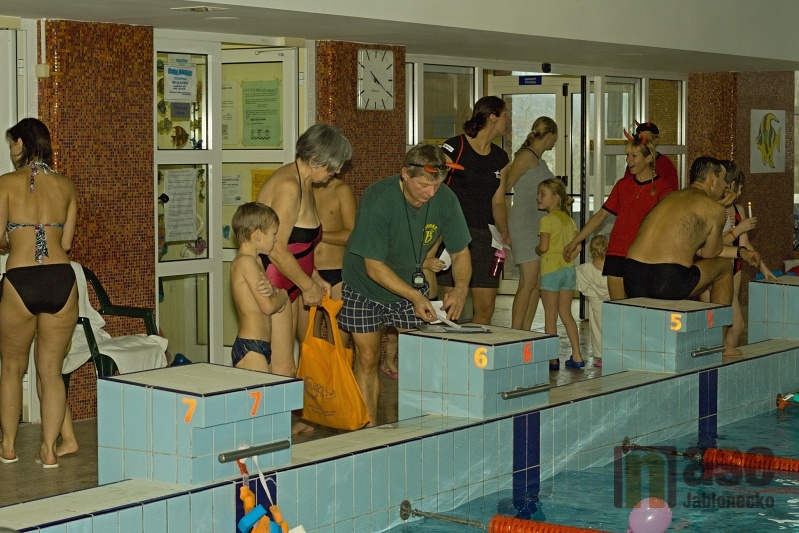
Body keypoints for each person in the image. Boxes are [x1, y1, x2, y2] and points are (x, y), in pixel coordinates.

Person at [338, 144, 472, 426]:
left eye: (436, 185)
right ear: (405, 174)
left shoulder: (445, 199)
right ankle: (369, 429)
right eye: (424, 185)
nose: (431, 193)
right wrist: (415, 296)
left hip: (409, 280)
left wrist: (460, 289)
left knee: (420, 358)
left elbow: (460, 252)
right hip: (365, 284)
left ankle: (420, 426)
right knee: (368, 357)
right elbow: (373, 267)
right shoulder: (378, 199)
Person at [623, 156, 763, 357]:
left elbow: (693, 247)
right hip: (665, 279)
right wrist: (720, 213)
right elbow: (711, 254)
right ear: (712, 179)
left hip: (632, 277)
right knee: (724, 267)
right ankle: (718, 342)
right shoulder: (714, 209)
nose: (725, 186)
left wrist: (742, 252)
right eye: (723, 179)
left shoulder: (670, 198)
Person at [0, 118, 78, 468]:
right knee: (51, 371)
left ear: (21, 143)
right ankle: (49, 450)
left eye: (11, 144)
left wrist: (14, 239)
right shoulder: (66, 185)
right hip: (61, 280)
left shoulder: (5, 184)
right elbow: (66, 242)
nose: (10, 151)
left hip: (21, 280)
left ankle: (8, 447)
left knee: (12, 368)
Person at [255, 123, 352, 378]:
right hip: (275, 281)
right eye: (333, 166)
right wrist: (308, 286)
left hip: (291, 280)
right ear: (315, 159)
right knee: (281, 368)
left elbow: (300, 245)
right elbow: (276, 249)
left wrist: (314, 275)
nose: (337, 171)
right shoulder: (288, 186)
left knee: (290, 365)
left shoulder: (305, 182)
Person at [563, 134, 675, 300]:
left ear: (648, 159)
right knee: (618, 308)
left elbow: (669, 225)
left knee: (639, 307)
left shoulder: (663, 188)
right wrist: (575, 241)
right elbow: (600, 216)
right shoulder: (623, 185)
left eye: (634, 156)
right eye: (627, 155)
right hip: (616, 251)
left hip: (643, 255)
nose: (628, 160)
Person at [437, 96, 510, 325]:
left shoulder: (500, 158)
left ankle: (480, 347)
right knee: (450, 306)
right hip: (453, 234)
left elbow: (498, 202)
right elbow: (435, 187)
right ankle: (448, 347)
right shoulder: (455, 147)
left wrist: (504, 230)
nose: (507, 120)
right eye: (505, 115)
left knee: (486, 308)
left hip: (485, 236)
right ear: (493, 118)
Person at [507, 116, 558, 331]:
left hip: (537, 225)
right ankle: (515, 331)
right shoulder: (526, 156)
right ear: (549, 135)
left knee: (535, 284)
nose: (555, 142)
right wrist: (502, 222)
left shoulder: (538, 159)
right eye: (555, 138)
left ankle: (525, 330)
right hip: (524, 223)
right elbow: (505, 185)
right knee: (527, 282)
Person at [718, 160, 777, 348]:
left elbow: (744, 244)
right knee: (731, 325)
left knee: (733, 324)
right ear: (731, 184)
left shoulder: (738, 210)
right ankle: (721, 358)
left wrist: (763, 267)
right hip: (717, 268)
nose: (741, 193)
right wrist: (739, 229)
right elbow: (711, 246)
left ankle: (724, 356)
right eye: (740, 188)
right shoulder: (714, 208)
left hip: (735, 267)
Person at [229, 202, 289, 372]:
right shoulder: (245, 262)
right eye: (273, 234)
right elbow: (268, 306)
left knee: (269, 389)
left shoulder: (257, 261)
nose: (275, 239)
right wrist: (284, 294)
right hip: (250, 346)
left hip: (262, 344)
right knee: (263, 390)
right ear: (257, 235)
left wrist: (274, 292)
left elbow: (267, 297)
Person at [536, 178, 583, 370]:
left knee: (550, 316)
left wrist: (536, 249)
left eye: (542, 194)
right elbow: (577, 246)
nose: (538, 198)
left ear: (555, 198)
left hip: (551, 271)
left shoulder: (546, 220)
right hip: (568, 270)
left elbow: (544, 247)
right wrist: (569, 256)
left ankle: (552, 359)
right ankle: (577, 355)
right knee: (566, 313)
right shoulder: (569, 221)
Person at [312, 176, 357, 349]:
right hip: (308, 273)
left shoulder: (341, 190)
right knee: (309, 343)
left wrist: (318, 235)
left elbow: (352, 235)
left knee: (338, 344)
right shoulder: (300, 190)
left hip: (337, 272)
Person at [576, 234, 610, 367]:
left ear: (590, 249)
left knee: (597, 329)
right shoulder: (612, 268)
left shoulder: (585, 269)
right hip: (611, 303)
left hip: (596, 305)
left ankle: (602, 357)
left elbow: (582, 287)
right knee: (613, 328)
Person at [621, 121, 679, 191]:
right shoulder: (633, 164)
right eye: (638, 139)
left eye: (645, 139)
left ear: (655, 141)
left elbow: (672, 193)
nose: (640, 143)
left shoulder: (665, 164)